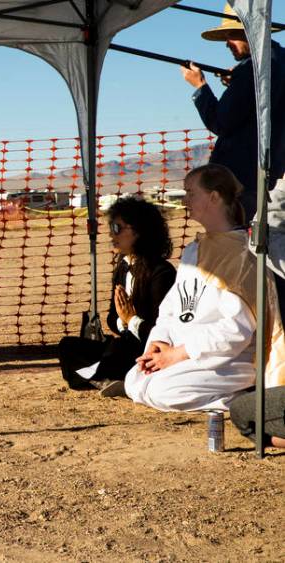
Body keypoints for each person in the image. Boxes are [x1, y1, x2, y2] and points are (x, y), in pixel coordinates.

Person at [124, 164, 285, 412]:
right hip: (184, 353)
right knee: (135, 381)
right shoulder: (193, 250)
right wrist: (159, 342)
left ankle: (241, 403)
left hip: (229, 359)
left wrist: (179, 354)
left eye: (191, 192)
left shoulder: (244, 254)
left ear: (214, 197)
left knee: (160, 390)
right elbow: (171, 309)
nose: (185, 200)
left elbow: (235, 330)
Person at [58, 197, 176, 395]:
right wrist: (123, 321)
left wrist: (132, 320)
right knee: (68, 347)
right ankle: (108, 378)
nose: (112, 234)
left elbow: (164, 330)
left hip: (148, 349)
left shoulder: (161, 273)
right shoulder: (122, 268)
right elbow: (113, 319)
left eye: (117, 228)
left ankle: (111, 378)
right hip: (124, 343)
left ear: (139, 231)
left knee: (119, 348)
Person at [182, 3, 285, 221]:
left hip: (239, 180)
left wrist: (200, 88)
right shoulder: (278, 60)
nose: (227, 43)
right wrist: (236, 83)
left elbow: (221, 122)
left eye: (232, 35)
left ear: (251, 31)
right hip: (266, 174)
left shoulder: (250, 70)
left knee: (236, 242)